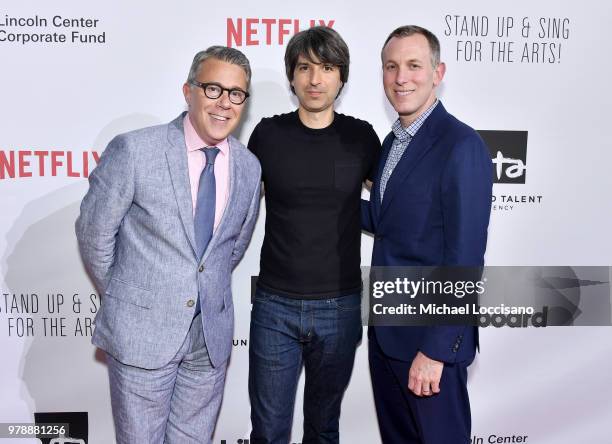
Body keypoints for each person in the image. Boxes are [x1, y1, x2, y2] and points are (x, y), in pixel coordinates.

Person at [75, 46, 261, 444]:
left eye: (236, 94)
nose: (224, 103)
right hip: (143, 332)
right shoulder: (136, 150)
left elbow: (231, 248)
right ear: (188, 91)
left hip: (209, 337)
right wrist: (132, 296)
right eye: (213, 89)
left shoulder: (249, 165)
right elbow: (94, 235)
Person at [247, 26, 380, 444]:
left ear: (342, 77)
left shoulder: (361, 137)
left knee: (323, 430)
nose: (315, 79)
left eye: (327, 68)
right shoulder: (268, 134)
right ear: (291, 76)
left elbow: (388, 210)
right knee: (269, 433)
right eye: (305, 67)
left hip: (339, 307)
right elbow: (236, 208)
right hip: (274, 307)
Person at [362, 25, 493, 443]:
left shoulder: (461, 145)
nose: (402, 78)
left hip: (428, 343)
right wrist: (321, 197)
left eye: (414, 66)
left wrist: (437, 349)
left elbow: (465, 258)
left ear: (438, 73)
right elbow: (389, 225)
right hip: (386, 334)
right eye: (391, 66)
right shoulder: (393, 141)